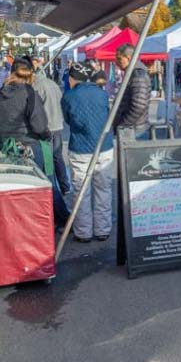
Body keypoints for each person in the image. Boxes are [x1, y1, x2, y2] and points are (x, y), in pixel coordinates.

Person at [0, 60, 69, 225]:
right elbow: (38, 123)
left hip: (9, 145)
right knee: (47, 182)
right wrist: (46, 134)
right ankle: (62, 218)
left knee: (19, 186)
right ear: (30, 75)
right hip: (31, 144)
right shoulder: (29, 92)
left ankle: (25, 220)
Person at [61, 63, 114, 242]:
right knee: (103, 188)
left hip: (80, 147)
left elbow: (68, 119)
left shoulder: (68, 96)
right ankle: (103, 230)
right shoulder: (102, 93)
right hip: (104, 146)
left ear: (72, 78)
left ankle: (83, 232)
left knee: (81, 191)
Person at [31, 55, 71, 195]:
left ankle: (51, 188)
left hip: (46, 127)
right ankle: (65, 186)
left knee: (48, 160)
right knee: (58, 157)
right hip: (57, 125)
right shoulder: (53, 84)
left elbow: (36, 109)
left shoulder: (37, 86)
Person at [112, 43, 151, 139]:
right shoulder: (132, 74)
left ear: (129, 58)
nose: (116, 62)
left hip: (135, 130)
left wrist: (124, 125)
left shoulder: (138, 76)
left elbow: (139, 106)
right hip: (132, 129)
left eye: (119, 58)